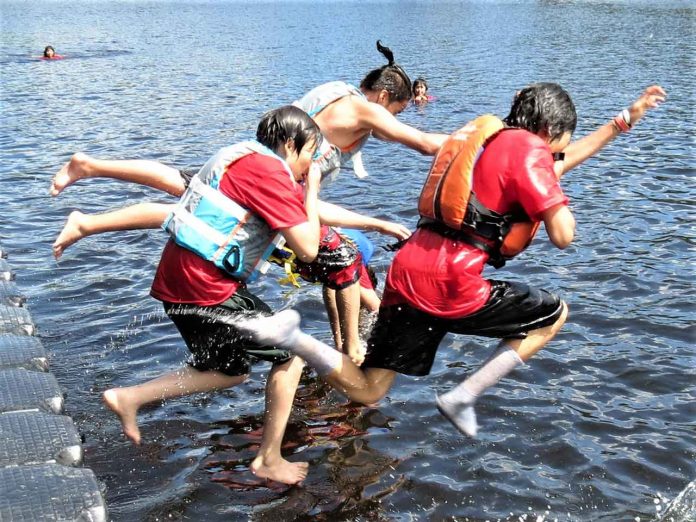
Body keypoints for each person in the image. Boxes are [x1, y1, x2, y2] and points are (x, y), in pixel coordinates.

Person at [237, 84, 666, 441]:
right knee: (552, 316)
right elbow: (563, 234)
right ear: (547, 131)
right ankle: (464, 395)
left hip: (410, 269)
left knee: (369, 391)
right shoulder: (529, 149)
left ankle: (296, 339)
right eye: (557, 145)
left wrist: (621, 123)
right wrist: (560, 207)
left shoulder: (489, 145)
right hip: (451, 280)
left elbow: (554, 167)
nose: (555, 155)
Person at [50, 40, 448, 365]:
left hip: (249, 167)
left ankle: (89, 187)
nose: (393, 122)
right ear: (382, 96)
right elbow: (427, 144)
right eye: (396, 111)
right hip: (268, 189)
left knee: (185, 200)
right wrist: (491, 135)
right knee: (341, 257)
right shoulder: (363, 108)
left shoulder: (336, 90)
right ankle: (351, 352)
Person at [102, 105, 324, 486]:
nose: (310, 164)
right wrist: (313, 190)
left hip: (180, 280)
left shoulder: (242, 156)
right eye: (310, 154)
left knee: (229, 373)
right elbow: (309, 248)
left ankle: (131, 397)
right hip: (203, 286)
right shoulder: (271, 171)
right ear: (290, 144)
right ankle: (268, 459)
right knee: (292, 356)